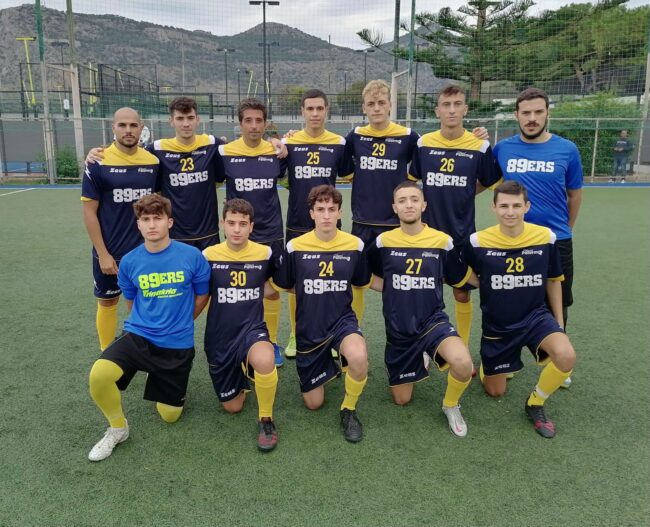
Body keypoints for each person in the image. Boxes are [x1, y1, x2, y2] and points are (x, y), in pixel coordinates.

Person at [87, 194, 211, 461]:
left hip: (176, 344)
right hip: (139, 336)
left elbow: (203, 295)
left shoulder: (192, 256)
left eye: (157, 218)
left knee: (169, 416)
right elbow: (131, 301)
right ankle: (118, 428)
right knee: (99, 375)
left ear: (170, 222)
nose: (152, 224)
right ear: (138, 225)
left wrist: (183, 321)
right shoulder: (130, 261)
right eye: (146, 219)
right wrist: (145, 324)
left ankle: (162, 380)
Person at [86, 96, 287, 251]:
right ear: (171, 121)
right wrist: (100, 151)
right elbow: (129, 152)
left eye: (190, 118)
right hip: (174, 235)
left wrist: (274, 141)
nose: (185, 124)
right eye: (180, 118)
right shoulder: (157, 149)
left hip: (209, 234)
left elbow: (247, 147)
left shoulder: (212, 145)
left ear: (197, 120)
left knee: (209, 286)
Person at [462, 181, 576, 438]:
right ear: (493, 208)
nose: (510, 212)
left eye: (516, 205)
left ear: (527, 206)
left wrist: (559, 324)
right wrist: (484, 282)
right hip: (498, 326)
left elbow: (553, 280)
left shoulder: (545, 237)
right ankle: (489, 367)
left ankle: (535, 402)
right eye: (504, 206)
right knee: (495, 391)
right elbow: (462, 271)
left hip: (536, 318)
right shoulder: (478, 241)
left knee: (566, 355)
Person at [367, 181, 475, 437]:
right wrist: (392, 288)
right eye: (402, 200)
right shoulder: (383, 242)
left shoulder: (442, 241)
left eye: (414, 199)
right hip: (399, 329)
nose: (409, 205)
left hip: (433, 322)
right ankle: (420, 356)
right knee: (402, 399)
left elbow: (458, 276)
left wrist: (491, 281)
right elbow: (364, 274)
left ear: (424, 205)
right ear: (394, 207)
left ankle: (451, 405)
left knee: (463, 363)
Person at [493, 87, 582, 387]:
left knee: (559, 300)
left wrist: (564, 230)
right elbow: (484, 181)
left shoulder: (567, 150)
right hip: (514, 241)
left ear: (547, 113)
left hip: (555, 240)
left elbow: (574, 194)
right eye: (526, 113)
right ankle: (507, 357)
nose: (532, 118)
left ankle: (559, 360)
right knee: (511, 298)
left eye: (538, 112)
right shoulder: (502, 149)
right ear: (516, 115)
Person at [271, 185, 370, 443]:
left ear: (339, 213)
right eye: (320, 209)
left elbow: (360, 281)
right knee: (313, 403)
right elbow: (284, 284)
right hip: (309, 327)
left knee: (359, 356)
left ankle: (348, 409)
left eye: (331, 209)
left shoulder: (355, 245)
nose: (326, 215)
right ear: (311, 213)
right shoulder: (295, 247)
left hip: (342, 322)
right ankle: (327, 364)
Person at [410, 84, 501, 352]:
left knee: (462, 292)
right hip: (427, 236)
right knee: (425, 293)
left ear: (465, 109)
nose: (451, 110)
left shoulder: (479, 146)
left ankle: (461, 345)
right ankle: (424, 349)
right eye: (446, 105)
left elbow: (493, 183)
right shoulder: (424, 144)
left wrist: (467, 192)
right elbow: (411, 182)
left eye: (457, 104)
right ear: (437, 111)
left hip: (462, 235)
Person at [202, 199, 280, 451]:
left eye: (243, 224)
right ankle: (243, 371)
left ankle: (266, 419)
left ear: (251, 226)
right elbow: (200, 293)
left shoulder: (264, 253)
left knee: (265, 359)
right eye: (231, 223)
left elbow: (278, 285)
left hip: (252, 331)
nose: (237, 229)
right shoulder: (208, 255)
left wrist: (255, 292)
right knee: (233, 407)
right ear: (222, 224)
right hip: (219, 336)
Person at [281, 88, 354, 358]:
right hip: (297, 223)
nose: (314, 113)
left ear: (327, 110)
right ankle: (295, 332)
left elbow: (351, 174)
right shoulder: (290, 143)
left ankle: (334, 333)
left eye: (319, 108)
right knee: (297, 283)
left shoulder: (338, 143)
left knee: (331, 279)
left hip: (328, 224)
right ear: (302, 111)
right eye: (309, 109)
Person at [217, 98, 288, 367]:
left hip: (270, 232)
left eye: (259, 120)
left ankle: (270, 341)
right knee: (237, 289)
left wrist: (283, 141)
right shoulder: (224, 152)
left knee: (271, 289)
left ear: (266, 123)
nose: (254, 126)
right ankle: (237, 339)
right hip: (239, 233)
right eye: (248, 120)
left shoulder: (275, 152)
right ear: (240, 123)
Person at [81, 107, 159, 351]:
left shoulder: (152, 162)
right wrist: (102, 253)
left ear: (141, 128)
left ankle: (145, 350)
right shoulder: (98, 162)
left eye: (133, 125)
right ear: (113, 127)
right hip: (110, 253)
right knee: (108, 302)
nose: (128, 130)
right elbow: (89, 212)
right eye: (122, 125)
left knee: (144, 302)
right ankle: (106, 353)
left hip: (144, 252)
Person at [344, 80, 420, 322]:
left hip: (396, 224)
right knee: (357, 280)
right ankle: (353, 330)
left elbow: (418, 171)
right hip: (363, 223)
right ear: (363, 108)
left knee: (400, 281)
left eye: (381, 102)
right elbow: (346, 170)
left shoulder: (407, 137)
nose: (376, 108)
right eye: (371, 104)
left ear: (390, 105)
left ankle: (406, 331)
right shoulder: (356, 136)